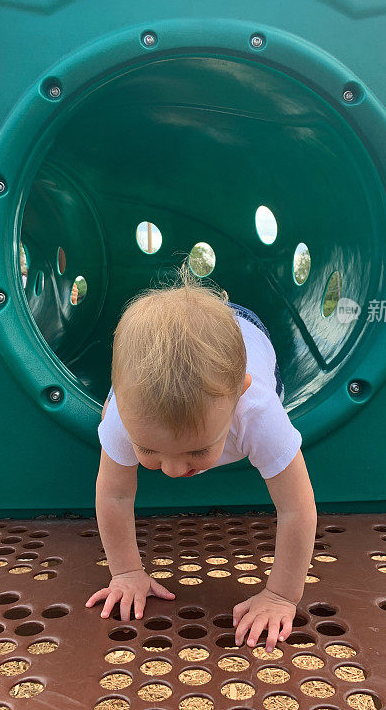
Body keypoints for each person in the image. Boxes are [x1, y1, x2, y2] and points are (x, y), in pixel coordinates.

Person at [86, 264, 317, 653]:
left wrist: (281, 596)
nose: (175, 470)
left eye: (197, 450)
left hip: (248, 329)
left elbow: (297, 508)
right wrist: (126, 572)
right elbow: (114, 496)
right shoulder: (124, 416)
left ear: (239, 395)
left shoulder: (257, 409)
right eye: (149, 450)